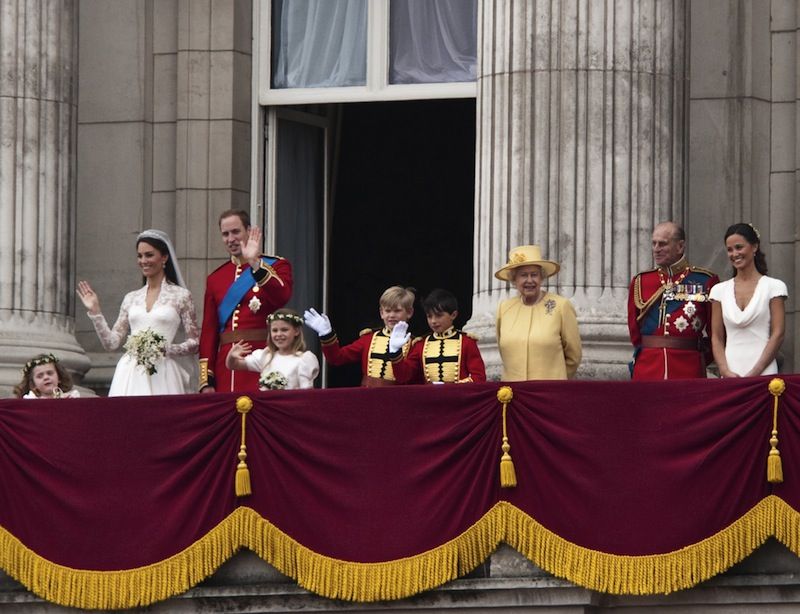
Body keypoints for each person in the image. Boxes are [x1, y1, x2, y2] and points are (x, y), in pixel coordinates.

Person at [77, 229, 199, 396]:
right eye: (139, 256)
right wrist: (95, 312)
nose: (143, 261)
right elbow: (111, 343)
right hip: (130, 373)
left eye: (149, 255)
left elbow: (195, 342)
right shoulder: (131, 298)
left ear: (164, 257)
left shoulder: (181, 296)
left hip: (164, 373)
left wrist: (166, 349)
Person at [199, 209, 293, 393]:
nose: (230, 239)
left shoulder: (276, 265)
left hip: (263, 359)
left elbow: (283, 295)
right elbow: (209, 331)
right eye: (225, 234)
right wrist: (206, 379)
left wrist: (255, 264)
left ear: (249, 232)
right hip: (225, 366)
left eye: (236, 232)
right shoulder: (215, 278)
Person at [627, 222, 718, 380]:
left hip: (688, 368)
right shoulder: (641, 281)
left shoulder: (705, 281)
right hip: (648, 368)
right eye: (654, 243)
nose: (656, 248)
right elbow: (635, 331)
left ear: (680, 246)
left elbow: (716, 333)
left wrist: (700, 358)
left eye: (662, 244)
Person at [709, 223, 787, 377]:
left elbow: (778, 333)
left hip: (764, 371)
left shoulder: (774, 287)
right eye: (730, 250)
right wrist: (724, 370)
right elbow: (716, 336)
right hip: (731, 372)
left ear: (755, 247)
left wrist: (756, 371)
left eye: (739, 247)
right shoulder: (718, 291)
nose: (734, 253)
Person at [494, 245, 582, 380]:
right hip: (513, 393)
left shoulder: (561, 306)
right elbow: (503, 350)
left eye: (534, 274)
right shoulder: (504, 309)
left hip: (549, 393)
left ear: (541, 277)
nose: (530, 280)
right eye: (523, 275)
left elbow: (573, 357)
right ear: (514, 280)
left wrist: (557, 380)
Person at [304, 286, 415, 387]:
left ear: (409, 312)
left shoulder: (415, 344)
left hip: (398, 400)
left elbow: (404, 377)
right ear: (381, 313)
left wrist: (396, 353)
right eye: (387, 311)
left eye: (397, 311)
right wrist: (326, 335)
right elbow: (337, 358)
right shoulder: (368, 339)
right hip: (368, 398)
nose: (391, 315)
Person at [390, 288, 486, 384]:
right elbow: (404, 377)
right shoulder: (421, 345)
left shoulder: (467, 342)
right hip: (430, 398)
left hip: (459, 397)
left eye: (439, 315)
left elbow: (479, 377)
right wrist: (395, 352)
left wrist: (451, 387)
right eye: (429, 316)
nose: (433, 321)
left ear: (453, 315)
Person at [226, 308, 319, 390]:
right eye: (275, 330)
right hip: (266, 408)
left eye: (284, 330)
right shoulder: (266, 356)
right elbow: (234, 365)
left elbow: (306, 394)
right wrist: (231, 356)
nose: (279, 334)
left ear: (296, 331)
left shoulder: (304, 359)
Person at [14, 354, 80, 399]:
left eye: (50, 373)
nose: (46, 377)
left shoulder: (70, 398)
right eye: (40, 376)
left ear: (59, 377)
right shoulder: (30, 401)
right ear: (33, 384)